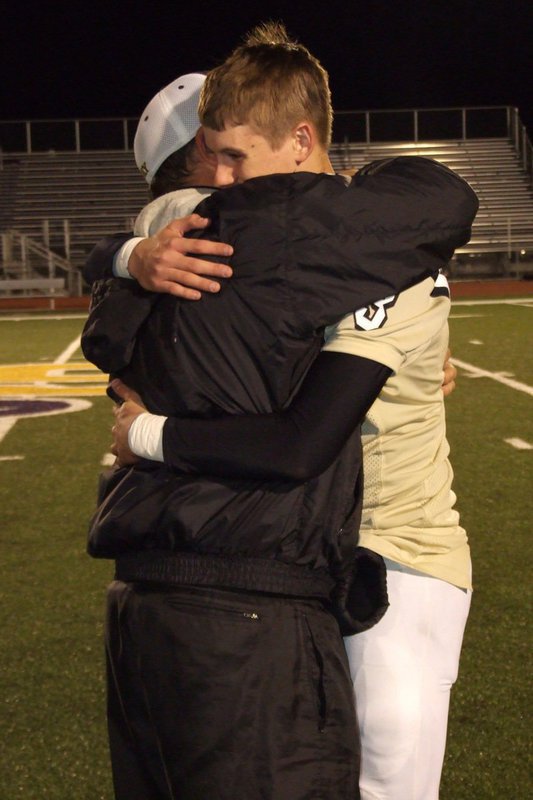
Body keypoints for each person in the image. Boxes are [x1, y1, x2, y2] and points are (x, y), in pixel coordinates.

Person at [82, 23, 477, 800]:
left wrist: (149, 432)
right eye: (206, 157)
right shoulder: (215, 236)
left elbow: (302, 438)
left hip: (393, 549)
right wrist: (128, 256)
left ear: (293, 138)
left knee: (379, 787)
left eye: (232, 155)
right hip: (292, 561)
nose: (217, 187)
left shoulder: (359, 237)